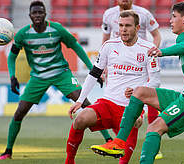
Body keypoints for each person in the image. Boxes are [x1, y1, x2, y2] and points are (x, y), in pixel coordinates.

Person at [91, 1, 184, 164]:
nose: (170, 21)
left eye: (174, 17)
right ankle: (119, 142)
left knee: (154, 128)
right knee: (140, 92)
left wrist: (162, 52)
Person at [0, 0, 109, 160]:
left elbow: (76, 46)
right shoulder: (22, 34)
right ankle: (8, 151)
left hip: (61, 73)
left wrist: (92, 69)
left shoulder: (56, 29)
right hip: (38, 77)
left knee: (84, 102)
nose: (37, 15)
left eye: (40, 12)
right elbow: (12, 56)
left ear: (45, 14)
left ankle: (109, 139)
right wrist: (12, 76)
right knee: (20, 112)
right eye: (34, 13)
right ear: (30, 15)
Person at [65, 10, 160, 164]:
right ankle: (69, 161)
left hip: (131, 107)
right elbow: (94, 73)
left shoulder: (148, 49)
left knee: (136, 123)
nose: (123, 29)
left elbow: (155, 81)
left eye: (128, 25)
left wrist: (138, 91)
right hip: (107, 103)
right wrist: (80, 100)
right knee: (80, 119)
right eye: (121, 25)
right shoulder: (109, 46)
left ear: (137, 28)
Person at [101, 0, 163, 159]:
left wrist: (152, 53)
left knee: (151, 101)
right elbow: (105, 39)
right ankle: (120, 140)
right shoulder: (108, 14)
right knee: (114, 101)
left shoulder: (143, 14)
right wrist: (104, 65)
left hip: (140, 63)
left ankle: (153, 143)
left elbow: (157, 35)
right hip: (117, 63)